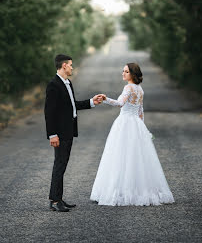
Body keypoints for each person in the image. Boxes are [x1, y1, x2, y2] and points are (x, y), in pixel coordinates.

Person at [90, 63, 175, 206]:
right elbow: (141, 111)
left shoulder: (128, 87)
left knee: (120, 155)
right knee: (136, 157)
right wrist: (143, 128)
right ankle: (137, 190)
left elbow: (119, 103)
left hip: (124, 123)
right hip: (136, 123)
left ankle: (120, 191)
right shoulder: (140, 89)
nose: (123, 73)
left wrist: (105, 99)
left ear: (133, 74)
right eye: (122, 71)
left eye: (126, 72)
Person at [44, 54, 103, 212]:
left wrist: (92, 102)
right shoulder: (54, 85)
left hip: (68, 131)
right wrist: (52, 135)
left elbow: (72, 105)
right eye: (70, 65)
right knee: (59, 165)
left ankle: (57, 199)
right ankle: (55, 201)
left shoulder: (67, 83)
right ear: (63, 65)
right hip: (60, 133)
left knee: (61, 165)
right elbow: (49, 113)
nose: (72, 67)